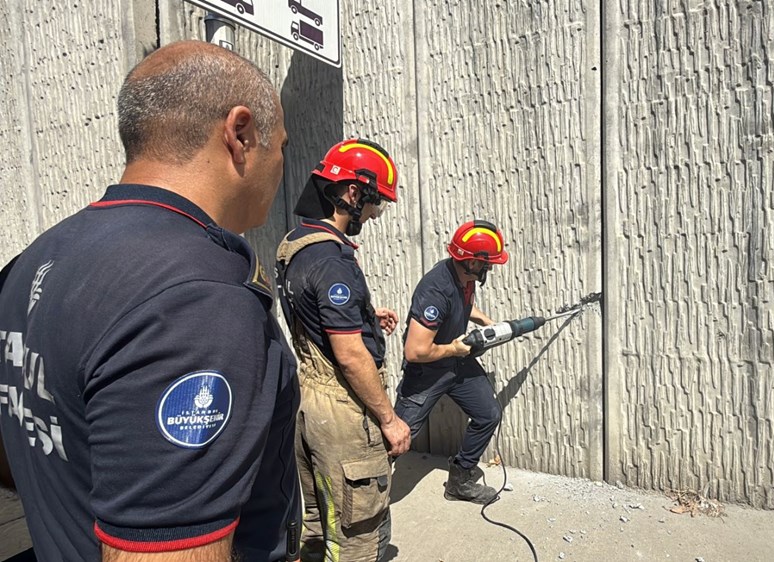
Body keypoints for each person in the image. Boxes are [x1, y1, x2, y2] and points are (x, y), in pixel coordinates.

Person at [0, 41, 300, 562]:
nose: (281, 165)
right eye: (282, 145)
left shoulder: (37, 256)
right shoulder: (196, 300)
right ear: (241, 134)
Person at [275, 138, 411, 562]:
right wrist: (389, 419)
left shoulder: (295, 245)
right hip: (342, 409)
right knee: (355, 534)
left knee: (319, 522)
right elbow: (350, 356)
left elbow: (313, 310)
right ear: (354, 192)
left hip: (307, 401)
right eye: (375, 204)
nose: (373, 215)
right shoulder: (333, 259)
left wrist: (366, 314)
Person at [393, 220, 509, 504]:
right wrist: (455, 350)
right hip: (427, 371)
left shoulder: (465, 278)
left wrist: (485, 320)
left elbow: (463, 303)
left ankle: (459, 481)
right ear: (470, 261)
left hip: (456, 361)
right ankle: (365, 494)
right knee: (395, 439)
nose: (489, 269)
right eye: (486, 264)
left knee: (488, 413)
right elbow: (415, 352)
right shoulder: (436, 290)